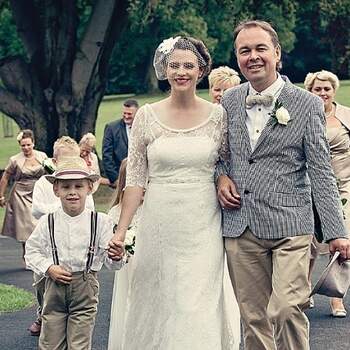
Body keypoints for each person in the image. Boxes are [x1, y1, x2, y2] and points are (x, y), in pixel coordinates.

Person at [217, 20, 350, 350]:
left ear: (277, 53)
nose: (253, 56)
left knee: (287, 308)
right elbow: (218, 154)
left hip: (291, 224)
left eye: (260, 48)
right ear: (237, 57)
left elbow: (321, 170)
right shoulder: (229, 101)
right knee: (253, 317)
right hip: (241, 224)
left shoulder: (306, 103)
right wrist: (220, 177)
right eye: (244, 50)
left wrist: (337, 232)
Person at [107, 36, 239, 350]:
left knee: (197, 301)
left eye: (188, 65)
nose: (181, 71)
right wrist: (122, 232)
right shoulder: (146, 116)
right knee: (159, 298)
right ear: (165, 70)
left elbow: (226, 164)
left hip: (202, 222)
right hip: (158, 221)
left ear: (201, 71)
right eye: (174, 65)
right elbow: (136, 180)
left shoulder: (218, 116)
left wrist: (221, 180)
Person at [25, 157, 123, 350]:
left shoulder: (100, 222)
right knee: (49, 343)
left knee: (79, 344)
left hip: (85, 287)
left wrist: (116, 255)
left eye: (78, 186)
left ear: (89, 188)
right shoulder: (48, 221)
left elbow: (112, 261)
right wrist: (48, 268)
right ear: (56, 190)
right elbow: (32, 251)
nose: (72, 192)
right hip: (54, 288)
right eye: (66, 187)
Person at [28, 136, 95, 337]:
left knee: (75, 286)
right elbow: (37, 210)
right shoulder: (43, 183)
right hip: (48, 242)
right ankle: (42, 313)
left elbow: (89, 207)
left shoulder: (79, 184)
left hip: (75, 242)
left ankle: (73, 319)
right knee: (41, 282)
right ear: (54, 161)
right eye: (65, 161)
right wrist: (61, 206)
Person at [304, 69, 350, 317]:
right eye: (317, 89)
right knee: (310, 244)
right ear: (309, 91)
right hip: (312, 188)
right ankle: (304, 289)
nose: (322, 93)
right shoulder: (304, 115)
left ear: (334, 90)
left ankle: (335, 298)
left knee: (341, 241)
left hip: (344, 186)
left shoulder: (346, 116)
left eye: (326, 89)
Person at [107, 158, 144, 349]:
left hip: (149, 268)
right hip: (128, 270)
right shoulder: (117, 213)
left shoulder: (152, 209)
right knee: (129, 308)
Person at [0, 129, 47, 263]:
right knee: (26, 226)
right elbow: (5, 177)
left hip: (38, 192)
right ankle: (27, 255)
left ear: (33, 143)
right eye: (23, 145)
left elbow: (50, 174)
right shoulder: (15, 160)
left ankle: (39, 254)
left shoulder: (42, 156)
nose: (26, 148)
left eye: (28, 144)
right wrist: (1, 196)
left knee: (39, 224)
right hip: (20, 194)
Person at [102, 99, 139, 186]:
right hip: (120, 178)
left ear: (137, 113)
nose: (126, 116)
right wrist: (115, 179)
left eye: (129, 114)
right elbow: (107, 155)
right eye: (124, 113)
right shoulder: (111, 128)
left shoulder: (143, 127)